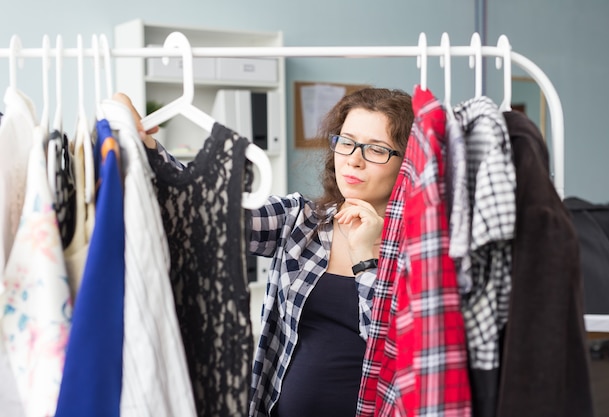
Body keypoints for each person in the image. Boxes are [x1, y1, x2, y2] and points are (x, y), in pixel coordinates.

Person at [113, 87, 414, 417]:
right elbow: (210, 208)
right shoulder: (300, 220)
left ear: (406, 161)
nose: (354, 159)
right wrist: (148, 146)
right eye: (346, 141)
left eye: (376, 149)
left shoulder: (415, 248)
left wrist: (364, 260)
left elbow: (395, 351)